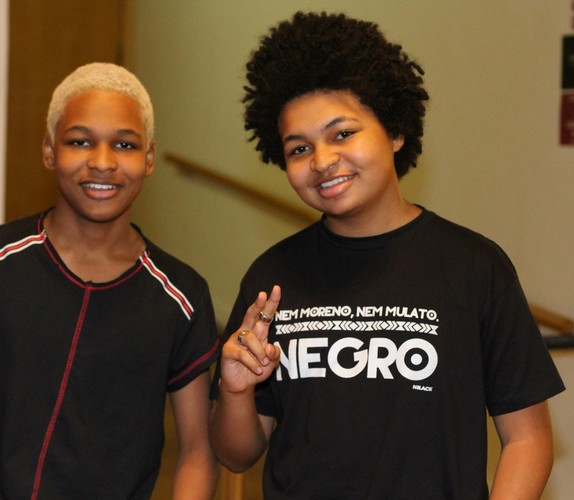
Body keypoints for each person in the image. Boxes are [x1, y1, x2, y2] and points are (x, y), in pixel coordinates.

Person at [209, 11, 565, 499]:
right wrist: (235, 390)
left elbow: (528, 438)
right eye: (298, 149)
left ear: (395, 132)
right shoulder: (272, 277)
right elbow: (236, 454)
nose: (322, 161)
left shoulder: (474, 267)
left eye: (342, 134)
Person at [0, 62, 219, 499]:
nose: (102, 162)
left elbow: (197, 453)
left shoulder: (180, 297)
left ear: (149, 158)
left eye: (124, 144)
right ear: (49, 151)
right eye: (79, 141)